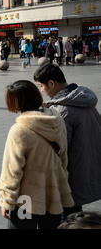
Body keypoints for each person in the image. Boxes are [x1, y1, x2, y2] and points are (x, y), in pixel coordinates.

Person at [0, 80, 74, 229]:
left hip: (26, 199)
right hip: (54, 194)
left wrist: (7, 201)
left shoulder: (19, 130)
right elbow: (64, 157)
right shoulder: (56, 119)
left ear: (17, 102)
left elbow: (12, 171)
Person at [33, 64, 101, 218]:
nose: (42, 90)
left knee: (67, 218)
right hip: (85, 169)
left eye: (41, 86)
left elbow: (57, 152)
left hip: (69, 179)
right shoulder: (84, 100)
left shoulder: (62, 111)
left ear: (52, 83)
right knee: (75, 216)